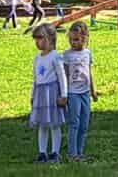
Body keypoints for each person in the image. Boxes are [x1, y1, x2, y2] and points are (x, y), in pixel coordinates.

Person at [27, 22, 67, 163]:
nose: (37, 41)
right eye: (36, 38)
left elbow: (62, 77)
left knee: (54, 124)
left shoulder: (56, 56)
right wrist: (32, 95)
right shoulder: (37, 59)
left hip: (52, 93)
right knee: (42, 125)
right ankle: (42, 152)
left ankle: (55, 153)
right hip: (40, 94)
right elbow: (35, 78)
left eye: (40, 38)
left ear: (50, 39)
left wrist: (64, 95)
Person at [61, 19, 98, 162]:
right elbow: (64, 76)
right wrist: (63, 94)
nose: (72, 42)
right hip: (72, 93)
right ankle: (72, 154)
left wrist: (93, 90)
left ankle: (80, 152)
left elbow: (90, 72)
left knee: (84, 124)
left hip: (85, 93)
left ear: (85, 38)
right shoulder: (66, 55)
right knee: (74, 123)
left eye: (76, 39)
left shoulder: (87, 53)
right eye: (70, 39)